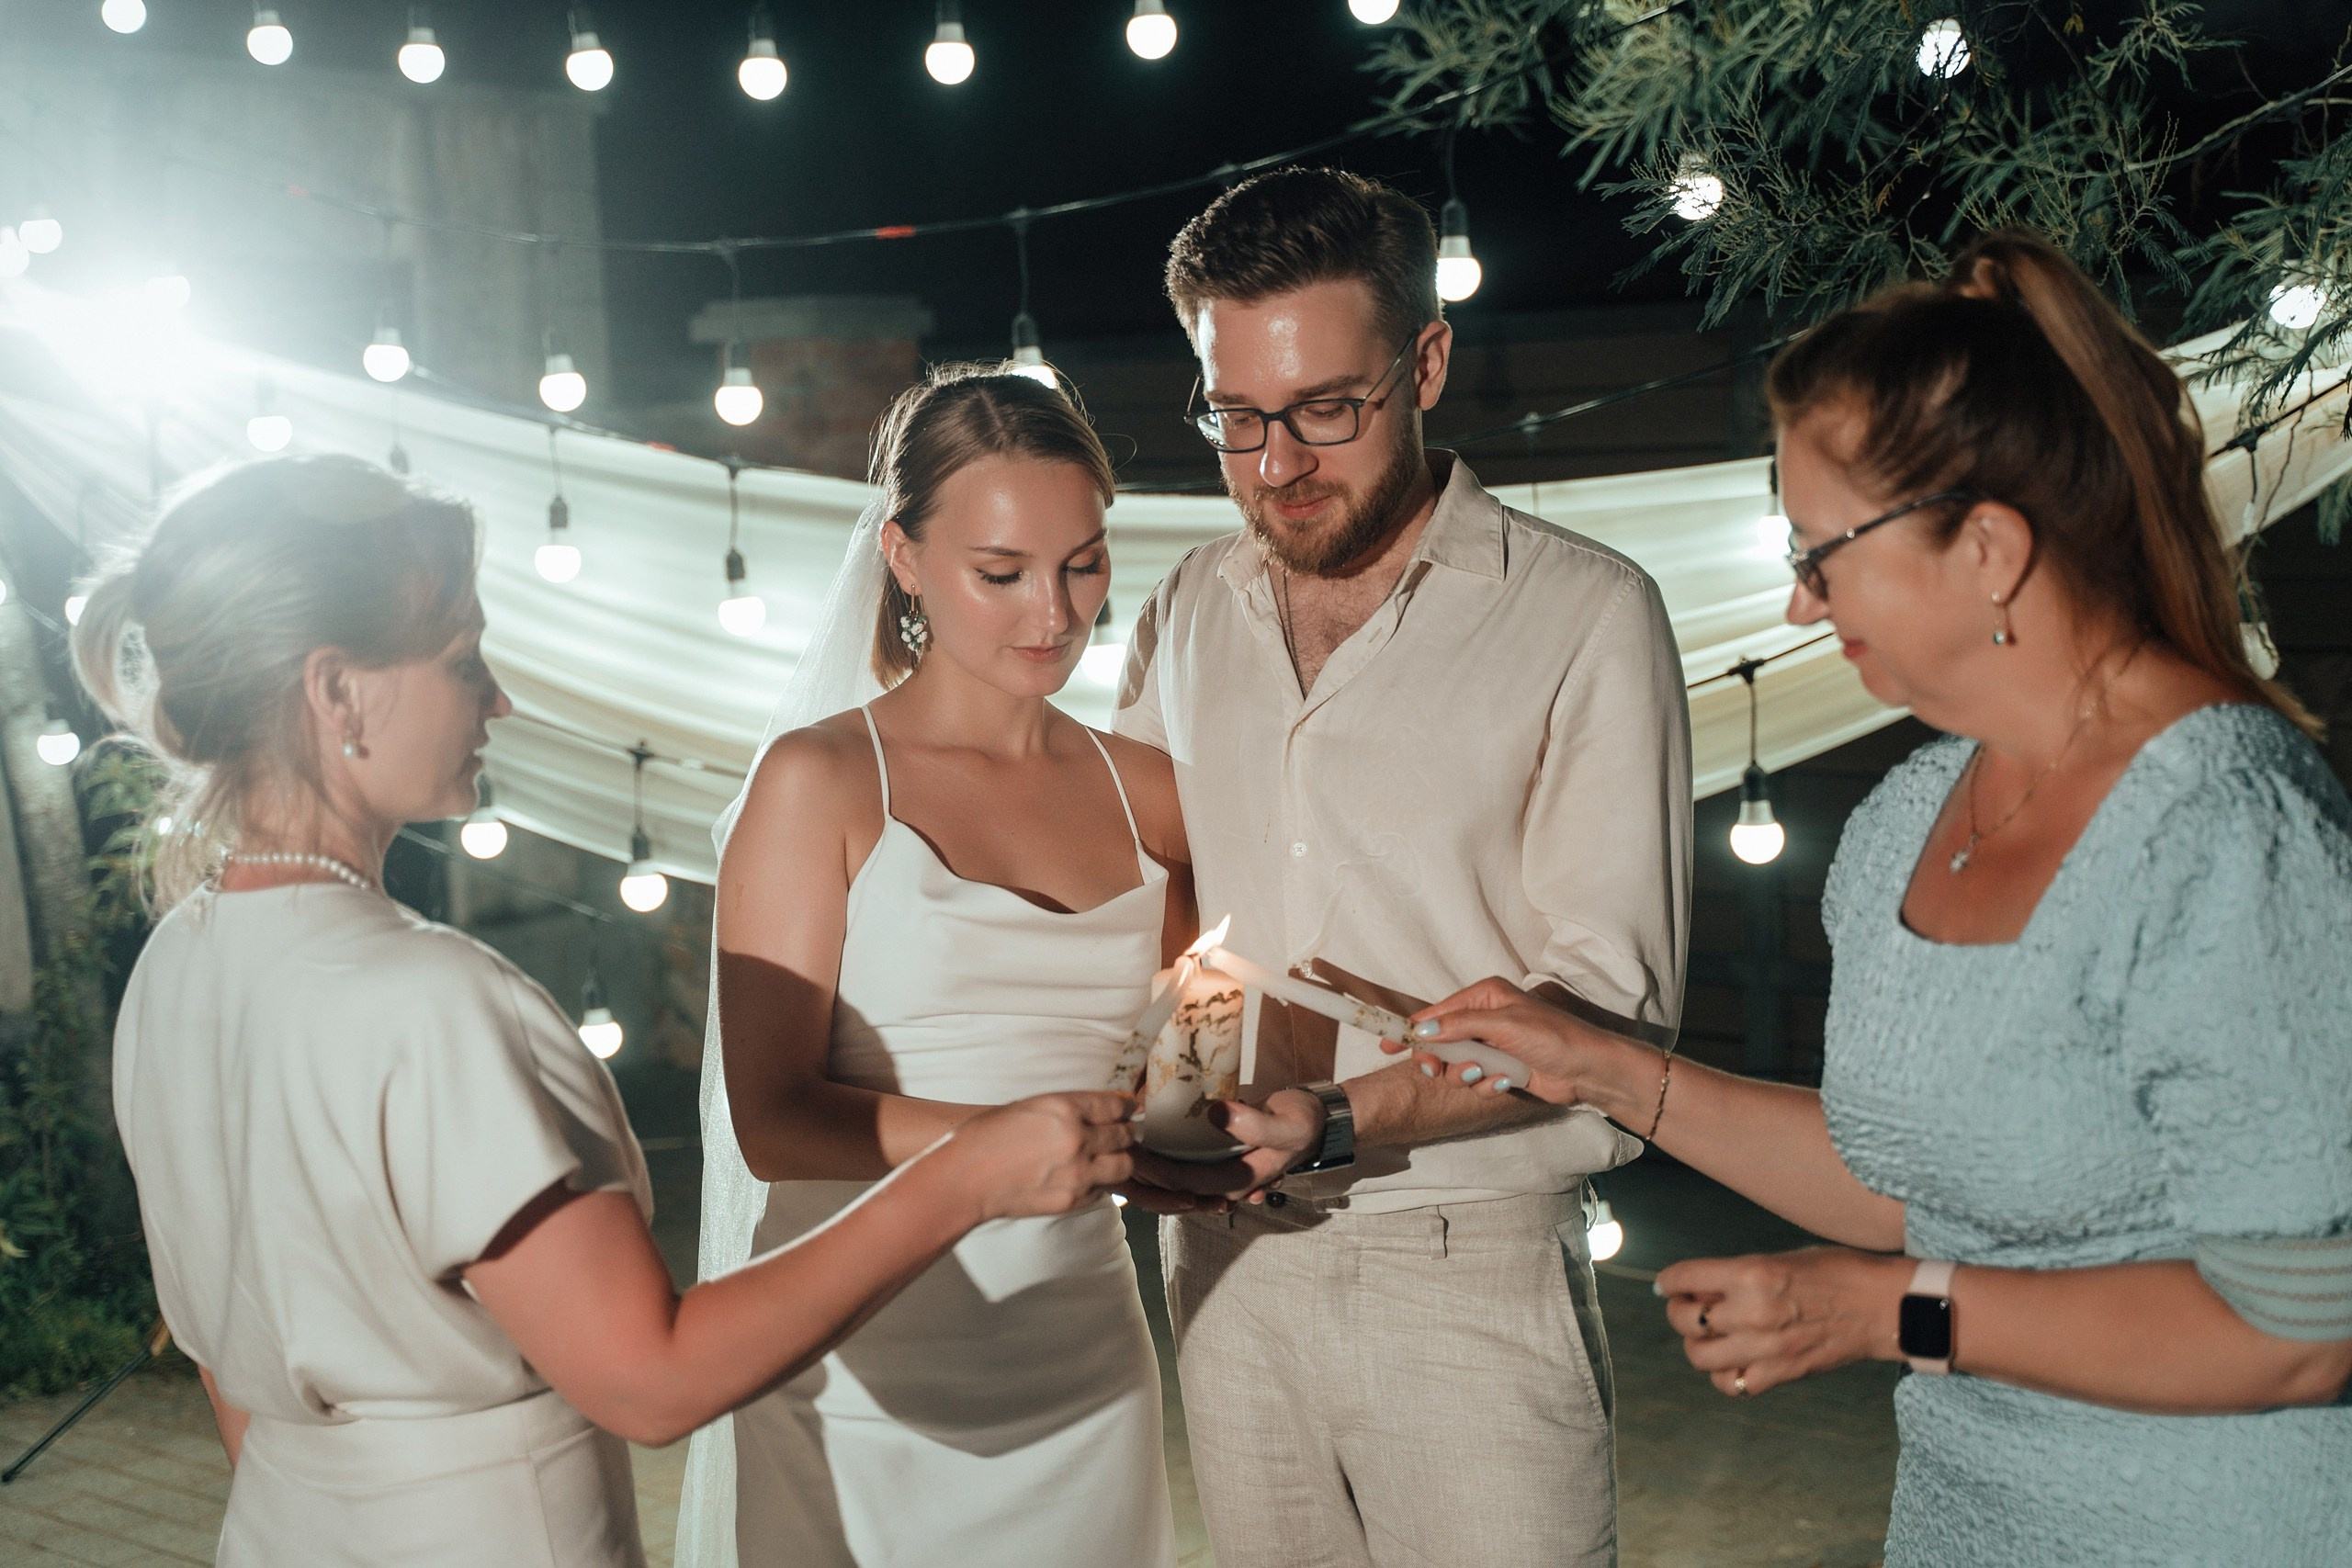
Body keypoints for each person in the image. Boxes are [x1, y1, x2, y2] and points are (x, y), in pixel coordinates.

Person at [1409, 231, 2352, 1564]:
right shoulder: (1912, 814)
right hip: (1966, 1515)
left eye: (1824, 552)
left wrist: (1895, 1312)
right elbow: (1922, 1188)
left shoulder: (2230, 831)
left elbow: (2303, 1327)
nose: (1800, 602)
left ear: (1987, 547)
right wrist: (1606, 1069)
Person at [77, 455, 1137, 1568]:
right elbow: (652, 1379)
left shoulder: (177, 962)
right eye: (462, 659)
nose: (499, 698)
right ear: (336, 690)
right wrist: (968, 1175)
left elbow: (223, 1369)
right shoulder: (430, 999)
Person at [1114, 166, 1692, 1568]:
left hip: (1469, 1261)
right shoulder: (1186, 604)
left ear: (1426, 360)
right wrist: (1188, 1115)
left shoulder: (1587, 613)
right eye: (1237, 416)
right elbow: (1179, 894)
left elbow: (1606, 998)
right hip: (1228, 1260)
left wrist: (1338, 1114)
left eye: (1325, 409)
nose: (1277, 463)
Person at [675, 366, 1197, 1568]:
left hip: (1082, 1359)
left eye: (1084, 561)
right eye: (1001, 572)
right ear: (905, 557)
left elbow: (1188, 1075)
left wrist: (1219, 1129)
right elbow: (769, 1116)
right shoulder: (817, 783)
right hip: (859, 1361)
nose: (1054, 613)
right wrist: (1003, 1142)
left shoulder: (1156, 795)